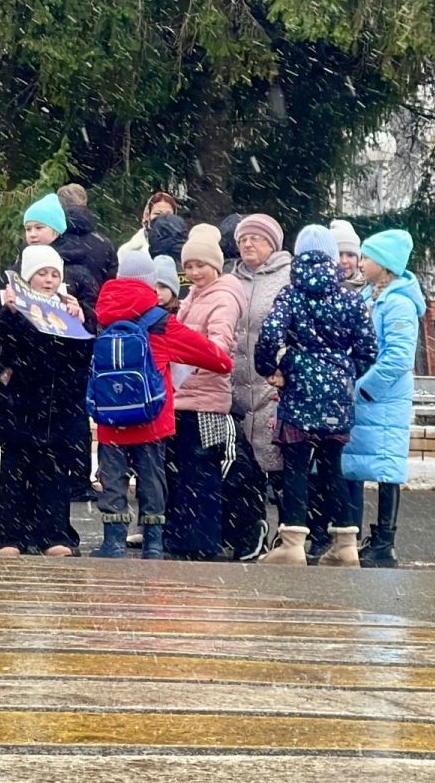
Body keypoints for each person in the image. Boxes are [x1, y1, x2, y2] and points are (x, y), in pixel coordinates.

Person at [89, 264, 234, 559]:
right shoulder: (160, 322)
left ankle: (113, 542)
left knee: (113, 478)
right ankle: (154, 543)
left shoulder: (101, 317)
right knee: (152, 480)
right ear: (151, 285)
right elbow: (220, 361)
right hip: (151, 418)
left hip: (110, 419)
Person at [254, 224, 376, 566]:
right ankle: (345, 544)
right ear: (333, 256)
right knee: (332, 469)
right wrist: (346, 373)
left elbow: (268, 336)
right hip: (337, 397)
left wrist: (272, 369)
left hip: (299, 393)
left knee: (295, 467)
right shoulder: (350, 297)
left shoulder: (290, 294)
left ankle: (292, 543)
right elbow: (368, 348)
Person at [0, 246, 91, 556]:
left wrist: (82, 320)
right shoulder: (13, 305)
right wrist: (11, 313)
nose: (48, 280)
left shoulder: (69, 307)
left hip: (58, 407)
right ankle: (10, 536)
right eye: (42, 274)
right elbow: (1, 338)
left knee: (54, 475)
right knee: (15, 474)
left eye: (54, 274)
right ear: (28, 278)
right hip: (20, 404)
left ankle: (54, 534)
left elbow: (83, 354)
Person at [343, 229, 425, 568]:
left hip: (382, 400)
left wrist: (364, 387)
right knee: (356, 466)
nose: (360, 263)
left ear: (385, 264)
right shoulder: (369, 298)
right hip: (363, 397)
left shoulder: (399, 303)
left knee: (387, 469)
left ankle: (384, 541)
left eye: (366, 257)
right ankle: (353, 535)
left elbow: (398, 357)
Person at [166, 224, 246, 561]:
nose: (195, 272)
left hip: (207, 401)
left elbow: (220, 347)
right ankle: (184, 539)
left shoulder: (223, 298)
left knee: (202, 473)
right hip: (185, 396)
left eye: (201, 265)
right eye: (189, 266)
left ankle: (201, 542)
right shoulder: (193, 298)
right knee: (183, 472)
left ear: (215, 265)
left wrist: (190, 359)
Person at [225, 214, 291, 560]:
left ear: (272, 244)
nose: (247, 245)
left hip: (272, 387)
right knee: (244, 469)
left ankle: (290, 535)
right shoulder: (230, 279)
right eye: (242, 240)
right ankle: (251, 532)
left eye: (255, 239)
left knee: (278, 465)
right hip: (235, 389)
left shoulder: (288, 278)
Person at [24, 192, 101, 331]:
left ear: (56, 231)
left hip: (64, 348)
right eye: (28, 229)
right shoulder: (19, 266)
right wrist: (4, 313)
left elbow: (93, 322)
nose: (32, 234)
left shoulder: (78, 272)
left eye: (39, 227)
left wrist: (80, 316)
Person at [57, 183, 119, 285]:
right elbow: (111, 283)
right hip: (96, 299)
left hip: (55, 299)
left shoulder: (49, 239)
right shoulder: (104, 243)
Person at [331, 219, 363, 286]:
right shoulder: (321, 289)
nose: (344, 261)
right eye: (339, 255)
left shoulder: (370, 289)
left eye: (350, 255)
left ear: (358, 259)